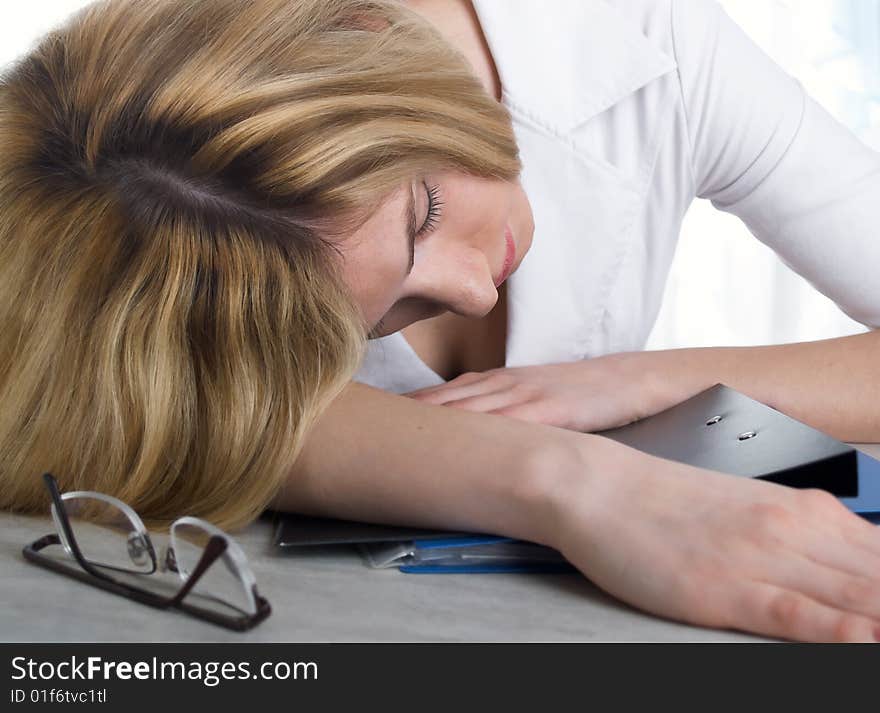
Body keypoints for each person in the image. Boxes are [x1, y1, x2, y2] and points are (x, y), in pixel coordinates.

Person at [1, 0, 879, 643]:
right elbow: (180, 407)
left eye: (422, 212)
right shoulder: (135, 231)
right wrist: (580, 484)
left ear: (372, 42)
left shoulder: (645, 41)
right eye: (376, 316)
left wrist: (646, 379)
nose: (472, 293)